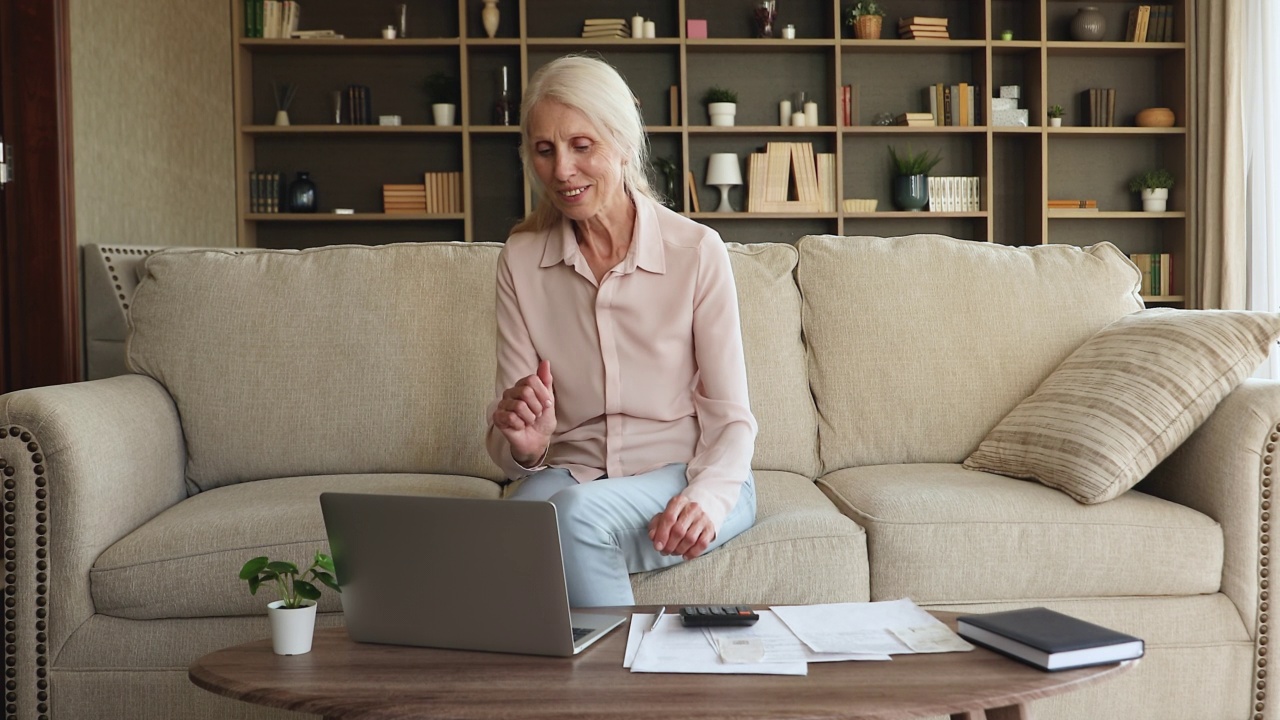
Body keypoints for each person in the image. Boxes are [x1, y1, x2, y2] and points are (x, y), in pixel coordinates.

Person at [485, 55, 758, 608]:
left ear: (624, 143)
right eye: (545, 150)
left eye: (581, 146)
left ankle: (617, 690)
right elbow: (508, 444)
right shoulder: (520, 261)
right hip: (575, 473)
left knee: (572, 517)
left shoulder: (697, 252)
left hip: (682, 473)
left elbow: (732, 419)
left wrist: (706, 497)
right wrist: (528, 448)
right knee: (501, 536)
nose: (562, 170)